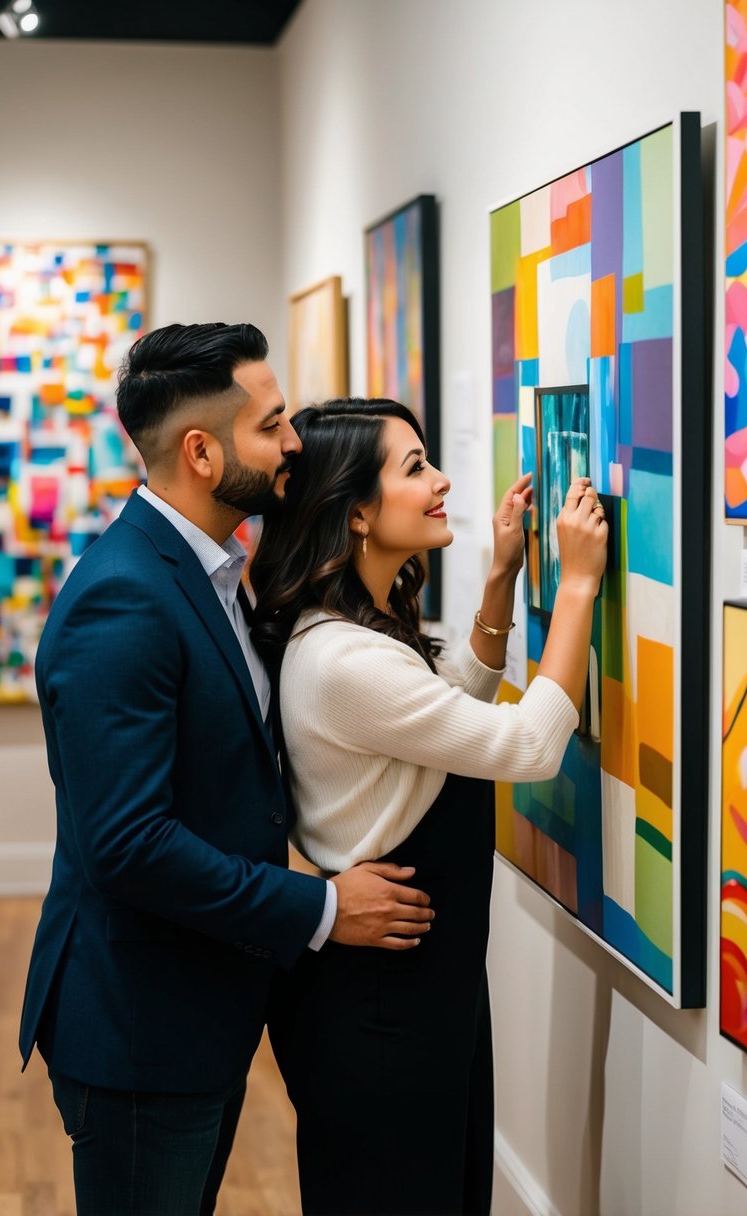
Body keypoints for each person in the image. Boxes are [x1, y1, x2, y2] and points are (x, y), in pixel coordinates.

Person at [18, 329, 435, 1216]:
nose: (293, 444)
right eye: (272, 425)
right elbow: (127, 846)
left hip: (200, 1009)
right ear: (201, 453)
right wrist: (323, 908)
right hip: (140, 1028)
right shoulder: (124, 597)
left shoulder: (210, 573)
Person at [250, 398, 608, 1216]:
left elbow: (439, 716)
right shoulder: (341, 660)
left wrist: (500, 577)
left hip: (415, 995)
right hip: (380, 1013)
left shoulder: (354, 633)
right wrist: (580, 581)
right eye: (414, 467)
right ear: (358, 513)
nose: (442, 479)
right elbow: (525, 746)